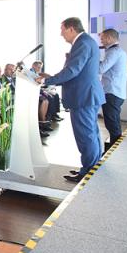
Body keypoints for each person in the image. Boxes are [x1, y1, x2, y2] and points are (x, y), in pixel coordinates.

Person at [35, 17, 106, 182]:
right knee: (91, 133)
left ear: (71, 29)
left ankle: (88, 171)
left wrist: (46, 80)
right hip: (88, 95)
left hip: (83, 96)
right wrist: (52, 77)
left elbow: (73, 70)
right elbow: (75, 70)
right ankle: (91, 166)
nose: (61, 34)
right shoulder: (86, 42)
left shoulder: (82, 43)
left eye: (62, 30)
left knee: (85, 135)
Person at [98, 28, 127, 150]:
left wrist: (90, 61)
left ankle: (114, 150)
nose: (101, 41)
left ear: (109, 38)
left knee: (112, 124)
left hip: (112, 92)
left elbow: (101, 69)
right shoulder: (118, 51)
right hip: (116, 92)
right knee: (114, 122)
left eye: (102, 38)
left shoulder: (113, 52)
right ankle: (116, 147)